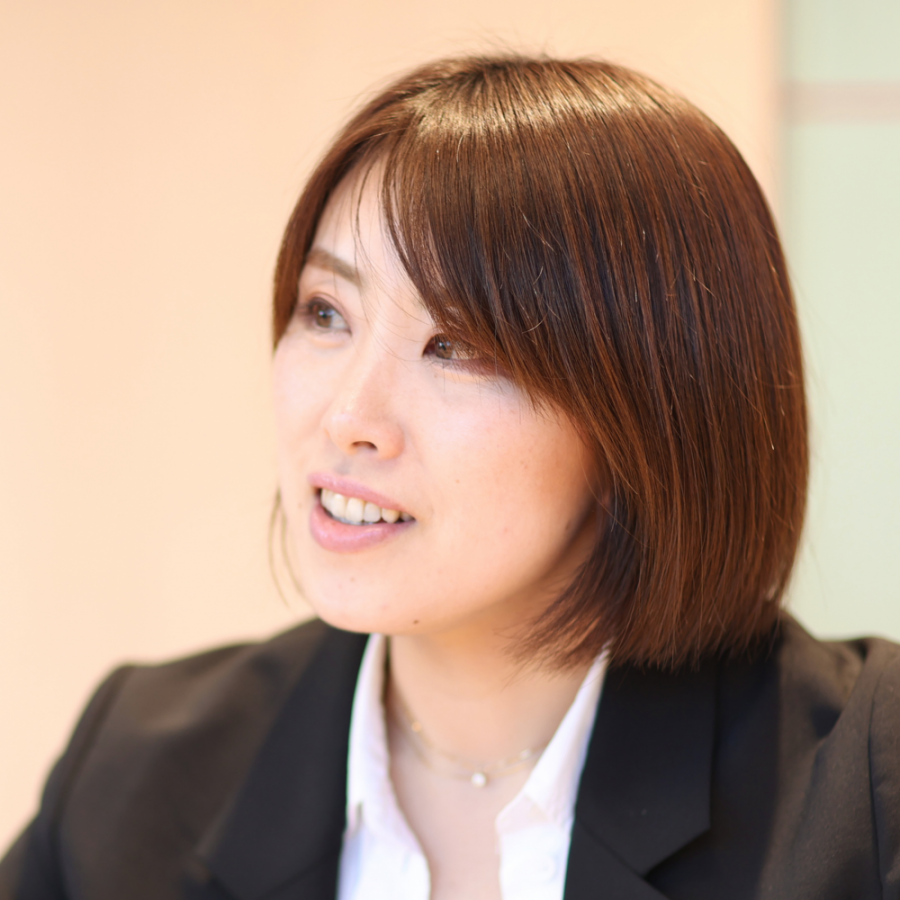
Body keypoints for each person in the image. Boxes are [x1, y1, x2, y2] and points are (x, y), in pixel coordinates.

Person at [1, 54, 898, 900]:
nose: (347, 418)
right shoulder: (134, 772)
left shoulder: (866, 791)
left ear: (654, 414)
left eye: (458, 345)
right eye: (326, 312)